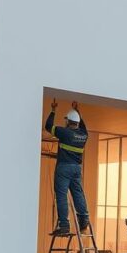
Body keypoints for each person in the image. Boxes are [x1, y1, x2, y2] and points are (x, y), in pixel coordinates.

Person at [44, 99, 90, 235]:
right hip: (77, 169)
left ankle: (64, 225)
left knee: (61, 195)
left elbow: (48, 126)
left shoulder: (64, 132)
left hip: (64, 168)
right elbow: (83, 125)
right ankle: (84, 219)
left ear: (68, 121)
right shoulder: (83, 135)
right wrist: (77, 110)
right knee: (78, 193)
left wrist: (53, 110)